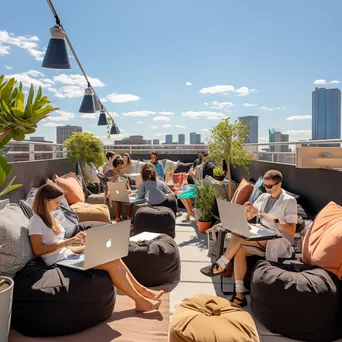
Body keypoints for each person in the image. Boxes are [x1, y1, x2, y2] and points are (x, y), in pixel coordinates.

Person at [28, 183, 163, 312]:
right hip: (58, 262)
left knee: (114, 256)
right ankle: (140, 301)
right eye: (56, 202)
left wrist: (85, 246)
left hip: (68, 256)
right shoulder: (36, 220)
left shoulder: (49, 216)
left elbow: (62, 248)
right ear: (45, 200)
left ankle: (142, 291)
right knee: (111, 264)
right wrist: (69, 241)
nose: (58, 206)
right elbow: (38, 249)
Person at [201, 170, 297, 307]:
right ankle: (239, 296)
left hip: (278, 239)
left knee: (240, 234)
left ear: (279, 184)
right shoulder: (263, 197)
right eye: (265, 186)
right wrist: (246, 212)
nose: (267, 189)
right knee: (240, 247)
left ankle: (221, 264)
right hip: (262, 233)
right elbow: (249, 217)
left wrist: (268, 216)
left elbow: (291, 230)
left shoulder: (289, 201)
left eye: (270, 186)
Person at [108, 156, 133, 222]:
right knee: (117, 199)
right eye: (119, 168)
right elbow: (108, 188)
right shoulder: (109, 174)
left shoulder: (122, 175)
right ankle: (118, 218)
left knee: (127, 200)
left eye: (122, 168)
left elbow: (129, 189)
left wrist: (127, 188)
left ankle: (129, 218)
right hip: (112, 193)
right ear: (115, 166)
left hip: (122, 192)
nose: (121, 170)